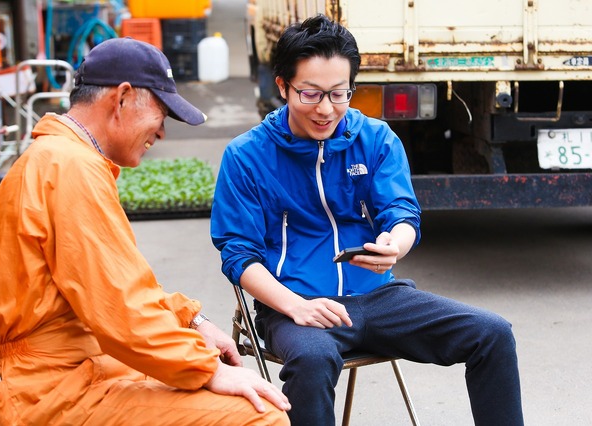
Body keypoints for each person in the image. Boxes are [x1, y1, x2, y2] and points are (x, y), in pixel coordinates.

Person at [210, 15, 524, 426]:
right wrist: (295, 306)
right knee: (313, 356)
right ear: (283, 86)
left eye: (340, 94)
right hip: (294, 305)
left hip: (379, 298)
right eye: (310, 94)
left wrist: (396, 243)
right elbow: (238, 255)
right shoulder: (246, 156)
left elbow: (402, 213)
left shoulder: (376, 138)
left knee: (493, 333)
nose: (326, 109)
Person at [0, 37, 290, 426]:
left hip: (76, 368)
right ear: (122, 98)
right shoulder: (69, 168)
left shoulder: (60, 158)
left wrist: (193, 322)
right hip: (54, 392)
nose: (162, 134)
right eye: (161, 113)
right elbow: (119, 307)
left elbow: (120, 289)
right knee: (258, 416)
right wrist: (211, 371)